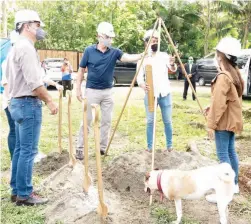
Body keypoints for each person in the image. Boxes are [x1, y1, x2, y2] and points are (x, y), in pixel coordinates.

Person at [6, 9, 58, 206]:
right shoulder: (26, 48)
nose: (40, 29)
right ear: (26, 26)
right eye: (37, 25)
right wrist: (50, 101)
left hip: (17, 103)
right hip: (27, 104)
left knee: (20, 149)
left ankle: (17, 189)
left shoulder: (16, 47)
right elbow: (35, 84)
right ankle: (25, 194)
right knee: (28, 151)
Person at [75, 21, 143, 159]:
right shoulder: (89, 51)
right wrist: (77, 89)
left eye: (111, 38)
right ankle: (80, 149)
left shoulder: (115, 52)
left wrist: (142, 54)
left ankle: (102, 148)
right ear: (100, 36)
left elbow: (127, 58)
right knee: (86, 121)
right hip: (91, 91)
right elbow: (81, 71)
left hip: (108, 92)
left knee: (106, 121)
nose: (110, 40)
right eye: (108, 37)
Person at [205, 37, 244, 203]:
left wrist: (210, 125)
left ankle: (225, 192)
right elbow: (226, 100)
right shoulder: (233, 74)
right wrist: (211, 107)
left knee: (223, 156)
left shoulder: (223, 76)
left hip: (223, 122)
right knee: (230, 152)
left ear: (221, 55)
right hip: (230, 121)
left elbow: (219, 103)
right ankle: (233, 186)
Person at [137, 29, 177, 152]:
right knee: (150, 121)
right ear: (146, 43)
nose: (154, 43)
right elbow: (139, 77)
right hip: (150, 94)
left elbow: (173, 70)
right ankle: (149, 147)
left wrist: (172, 64)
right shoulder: (142, 58)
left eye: (156, 41)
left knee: (167, 121)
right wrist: (143, 85)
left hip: (164, 93)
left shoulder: (164, 56)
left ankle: (169, 146)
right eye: (152, 41)